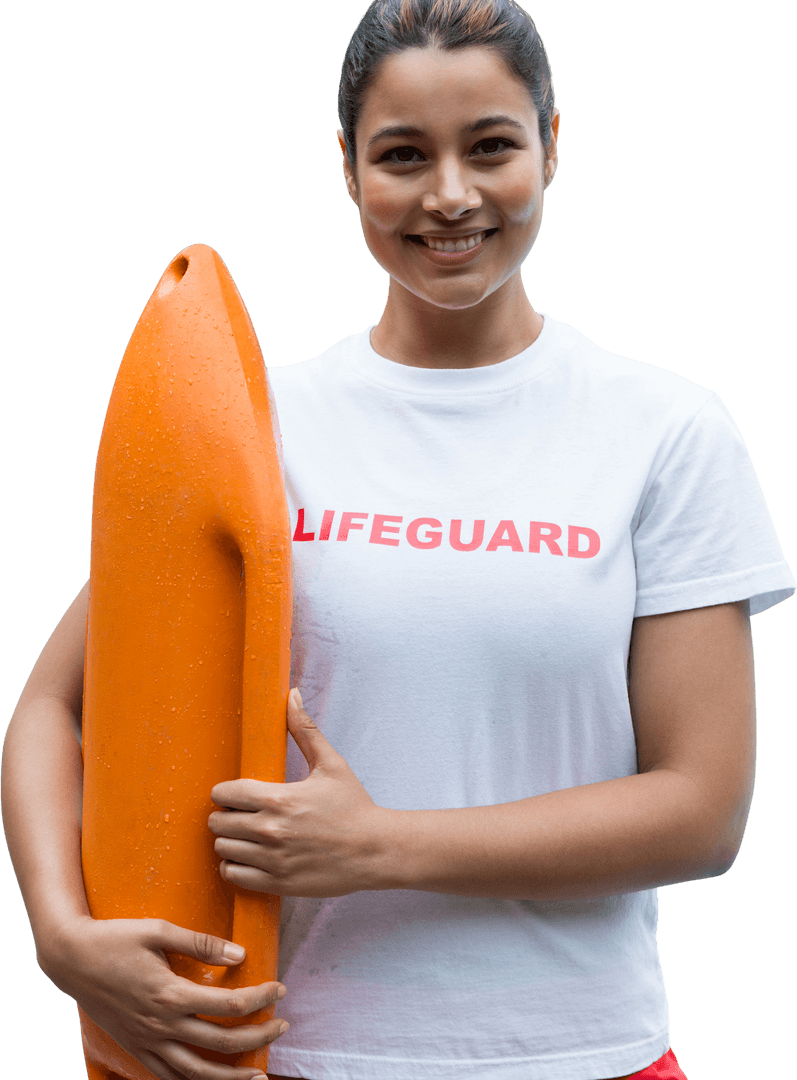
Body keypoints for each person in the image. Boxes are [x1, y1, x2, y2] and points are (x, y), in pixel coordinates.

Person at [3, 1, 794, 1079]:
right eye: (402, 156)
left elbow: (700, 811)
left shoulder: (664, 429)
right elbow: (53, 706)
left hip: (581, 1053)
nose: (450, 195)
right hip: (287, 1055)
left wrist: (379, 847)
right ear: (347, 169)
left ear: (551, 146)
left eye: (491, 146)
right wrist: (61, 937)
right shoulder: (256, 422)